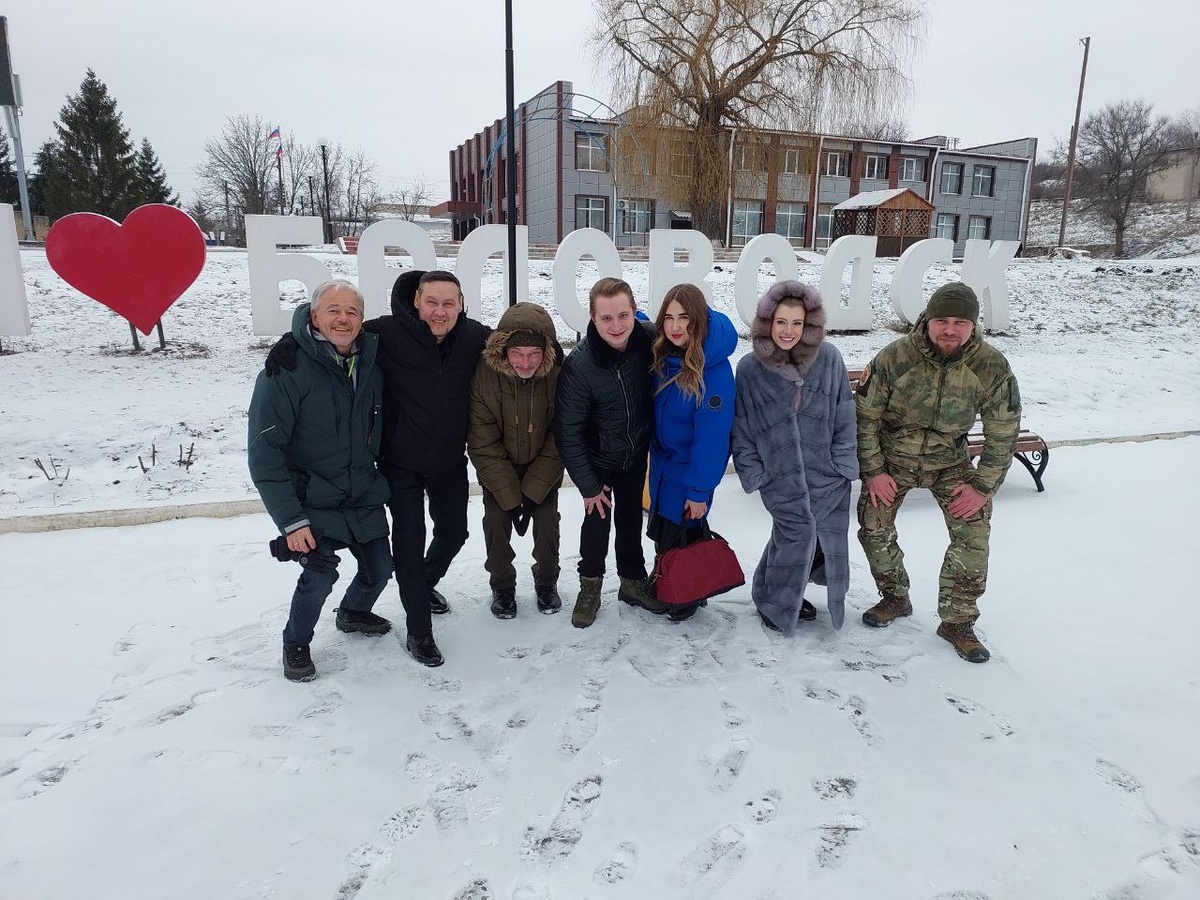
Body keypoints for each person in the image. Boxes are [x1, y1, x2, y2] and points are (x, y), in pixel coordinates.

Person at [265, 270, 489, 667]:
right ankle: (419, 631)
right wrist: (291, 342)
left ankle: (422, 583)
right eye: (431, 302)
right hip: (399, 465)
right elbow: (333, 330)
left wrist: (553, 352)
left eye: (448, 303)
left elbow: (517, 340)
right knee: (408, 543)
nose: (440, 312)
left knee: (455, 533)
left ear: (461, 305)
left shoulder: (472, 337)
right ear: (416, 302)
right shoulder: (386, 333)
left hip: (449, 460)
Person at [855, 281, 1021, 663]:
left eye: (960, 322)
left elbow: (1003, 430)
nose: (950, 330)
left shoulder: (991, 366)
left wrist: (982, 486)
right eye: (942, 320)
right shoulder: (895, 358)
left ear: (973, 325)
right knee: (874, 527)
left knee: (973, 533)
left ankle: (957, 622)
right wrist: (874, 470)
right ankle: (894, 596)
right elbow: (864, 417)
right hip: (892, 460)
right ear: (927, 320)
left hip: (950, 463)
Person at [248, 279, 393, 682]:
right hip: (311, 497)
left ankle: (353, 612)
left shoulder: (370, 363)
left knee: (381, 569)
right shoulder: (286, 370)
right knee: (320, 574)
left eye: (352, 312)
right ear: (314, 316)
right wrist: (291, 522)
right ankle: (295, 642)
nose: (343, 319)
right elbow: (264, 454)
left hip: (360, 493)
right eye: (333, 310)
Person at [731, 281, 858, 635]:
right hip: (780, 476)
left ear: (809, 324)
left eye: (797, 323)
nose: (788, 331)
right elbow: (741, 427)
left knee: (822, 539)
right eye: (781, 322)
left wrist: (842, 464)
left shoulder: (829, 358)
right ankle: (774, 601)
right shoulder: (750, 368)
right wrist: (755, 473)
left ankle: (788, 593)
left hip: (826, 474)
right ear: (767, 322)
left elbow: (845, 414)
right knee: (794, 535)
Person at [554, 276, 667, 628]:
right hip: (598, 460)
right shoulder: (579, 365)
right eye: (606, 318)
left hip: (634, 454)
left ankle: (632, 582)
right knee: (597, 523)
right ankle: (590, 585)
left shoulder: (647, 339)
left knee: (630, 520)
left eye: (623, 315)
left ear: (634, 311)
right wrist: (588, 485)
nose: (616, 326)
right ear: (593, 318)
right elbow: (567, 431)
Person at [468, 302, 564, 619]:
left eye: (534, 354)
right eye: (517, 353)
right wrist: (511, 499)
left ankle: (547, 582)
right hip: (499, 466)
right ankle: (502, 586)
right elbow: (482, 440)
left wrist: (533, 492)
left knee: (547, 523)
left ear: (545, 353)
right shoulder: (485, 376)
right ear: (503, 351)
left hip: (542, 464)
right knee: (496, 522)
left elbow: (560, 435)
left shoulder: (557, 377)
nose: (525, 362)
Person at [646, 283, 737, 622]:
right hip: (663, 469)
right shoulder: (667, 356)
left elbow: (713, 439)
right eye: (669, 318)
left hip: (689, 474)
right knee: (667, 532)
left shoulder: (713, 371)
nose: (675, 326)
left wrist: (699, 491)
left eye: (684, 318)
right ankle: (674, 581)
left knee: (683, 535)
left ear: (698, 320)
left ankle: (684, 595)